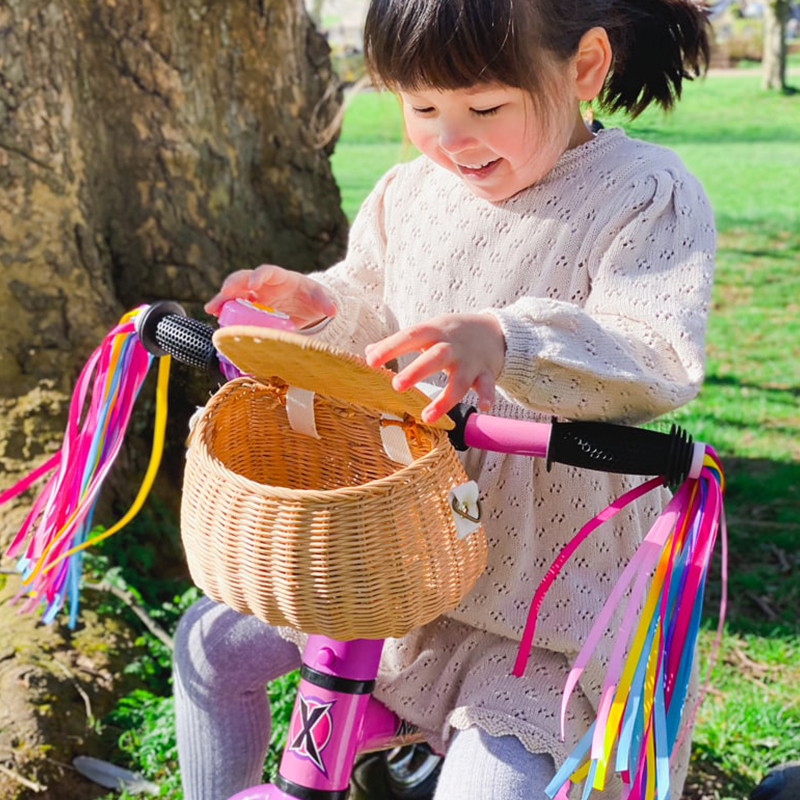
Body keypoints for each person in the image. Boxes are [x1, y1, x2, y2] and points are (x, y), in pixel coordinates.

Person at [173, 0, 716, 797]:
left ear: (584, 67)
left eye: (485, 108)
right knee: (211, 649)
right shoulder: (410, 193)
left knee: (490, 782)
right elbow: (375, 318)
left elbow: (655, 353)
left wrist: (507, 340)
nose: (451, 140)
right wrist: (320, 309)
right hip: (391, 555)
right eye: (423, 109)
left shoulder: (644, 192)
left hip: (538, 600)